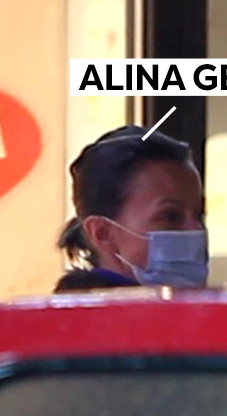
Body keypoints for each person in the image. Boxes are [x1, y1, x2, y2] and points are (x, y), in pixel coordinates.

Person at [55, 125, 208, 292]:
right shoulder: (89, 309)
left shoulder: (174, 304)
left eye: (198, 215)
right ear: (102, 233)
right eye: (170, 216)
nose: (196, 230)